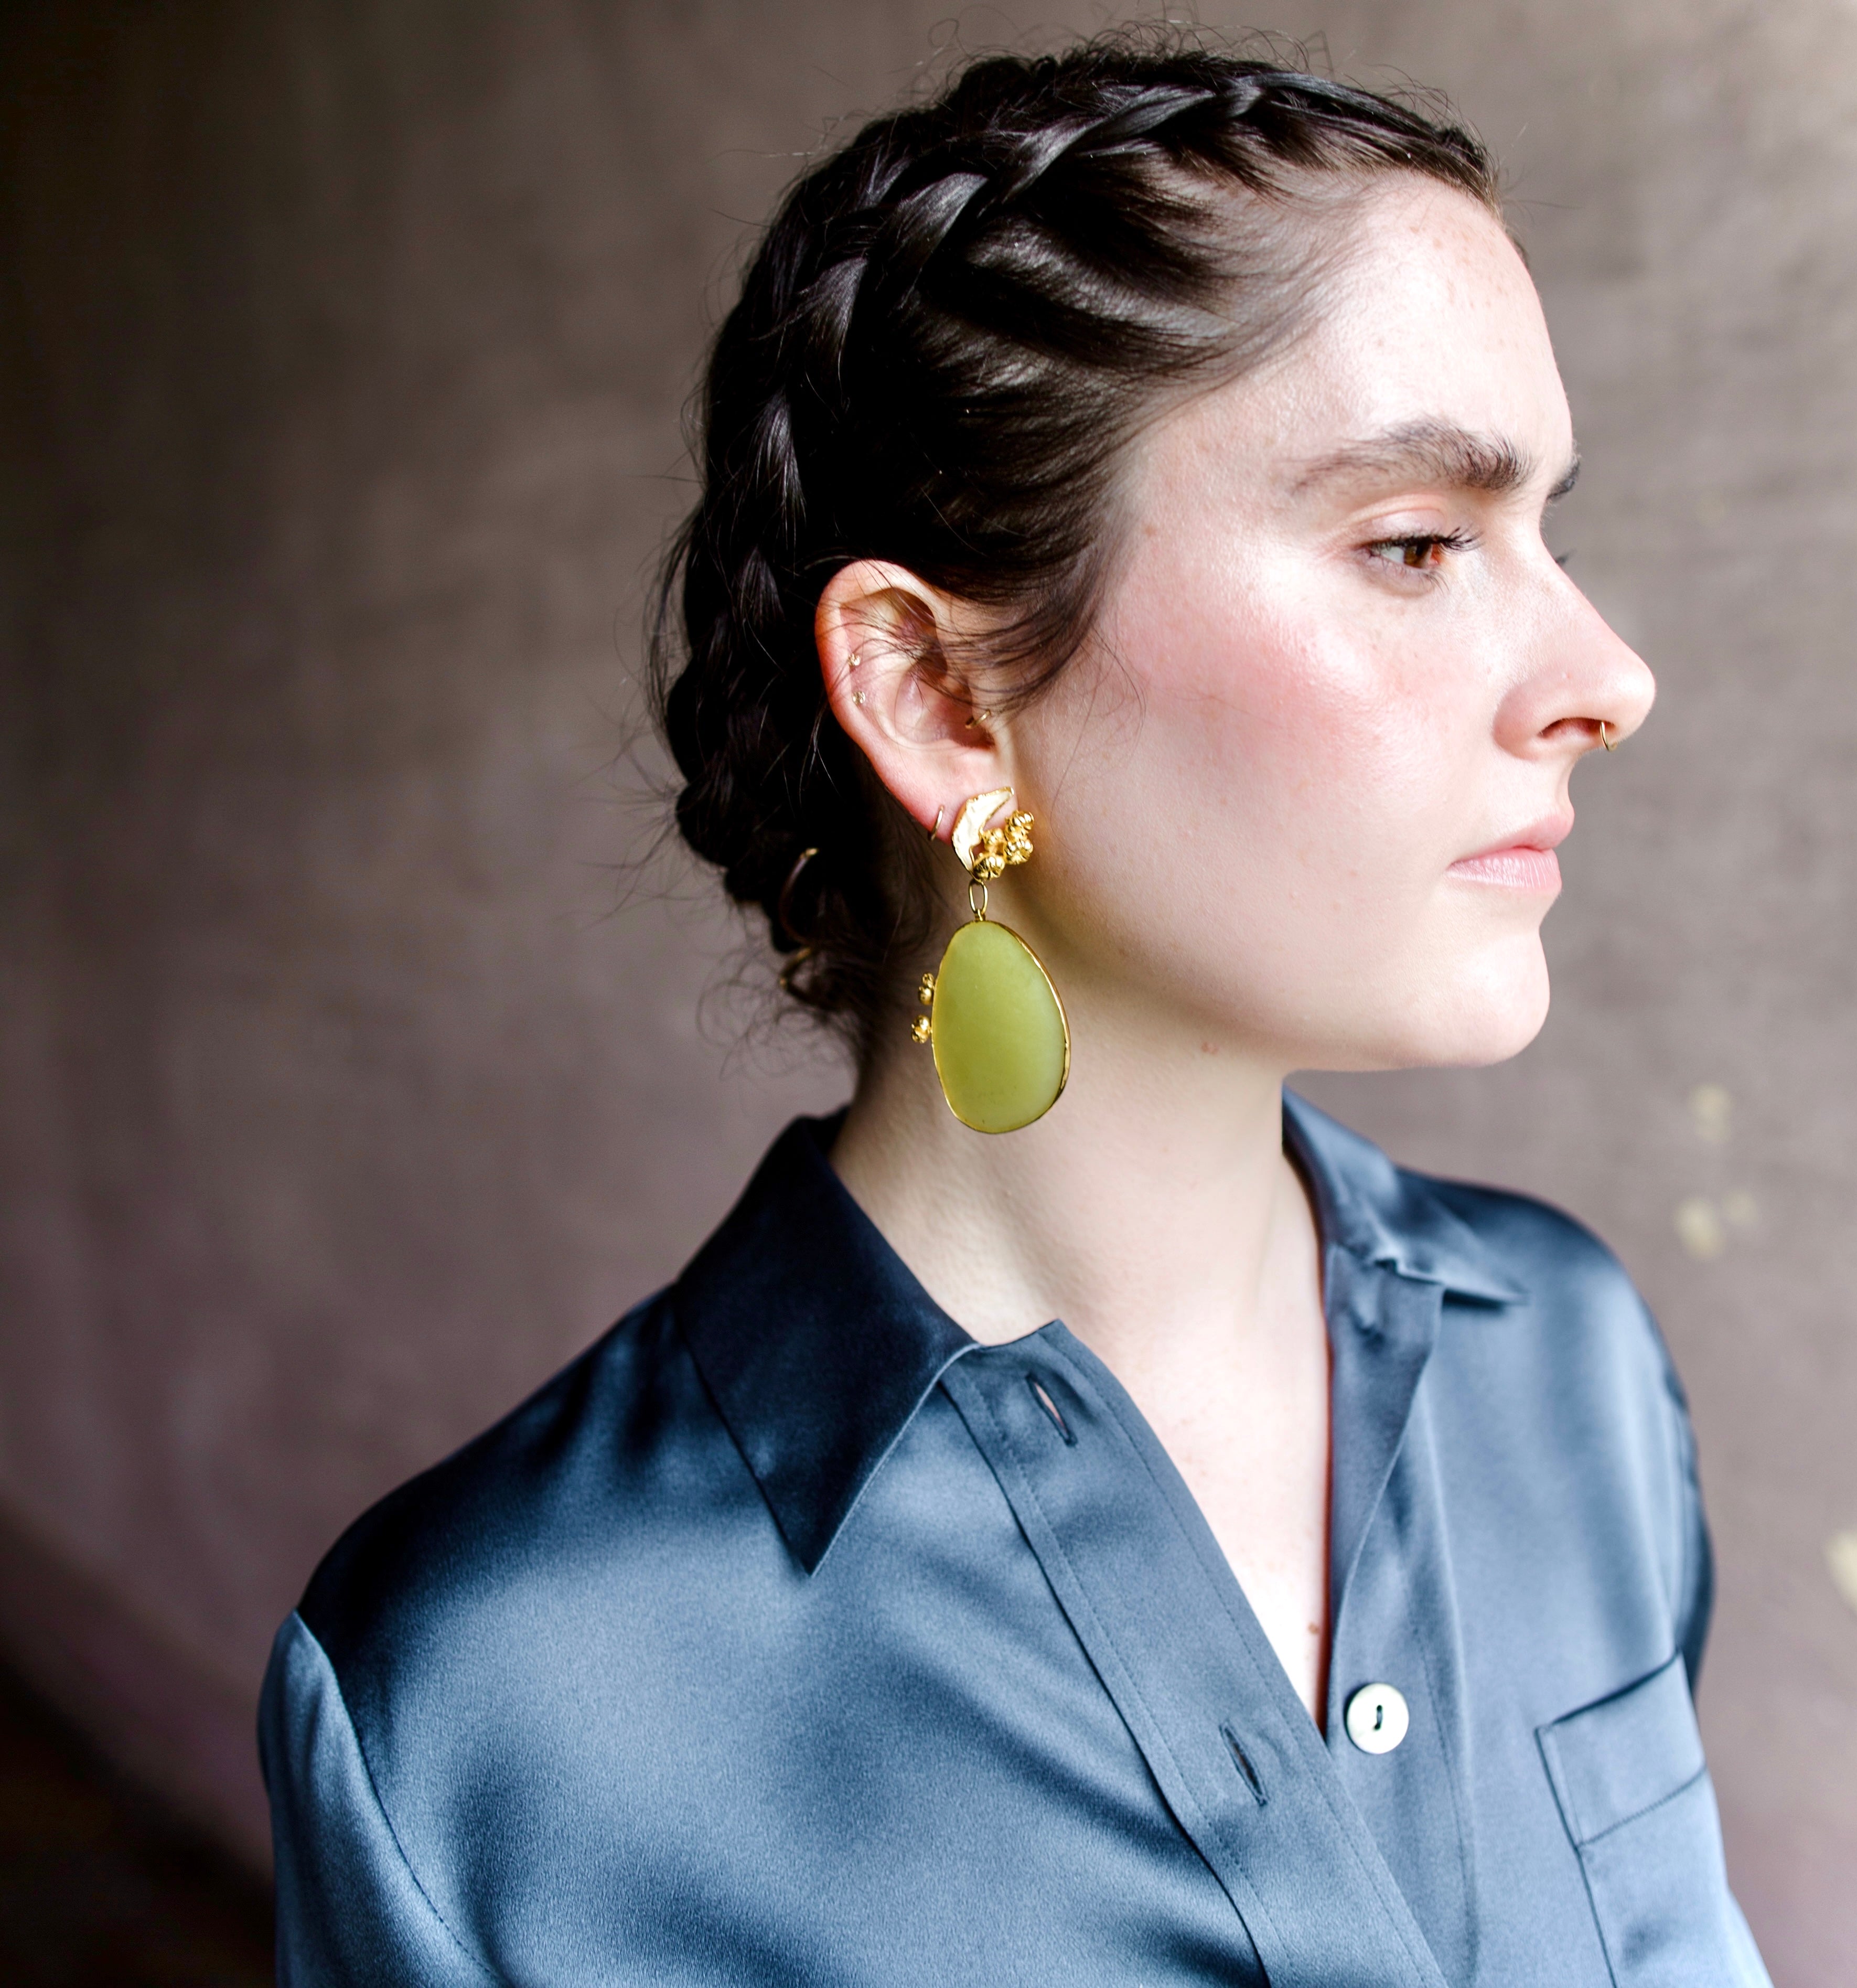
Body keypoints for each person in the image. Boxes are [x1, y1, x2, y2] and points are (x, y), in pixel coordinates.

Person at [260, 40, 1772, 1986]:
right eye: (1416, 543)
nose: (1606, 674)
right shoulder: (490, 1708)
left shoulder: (1566, 1369)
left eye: (1552, 528)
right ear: (941, 695)